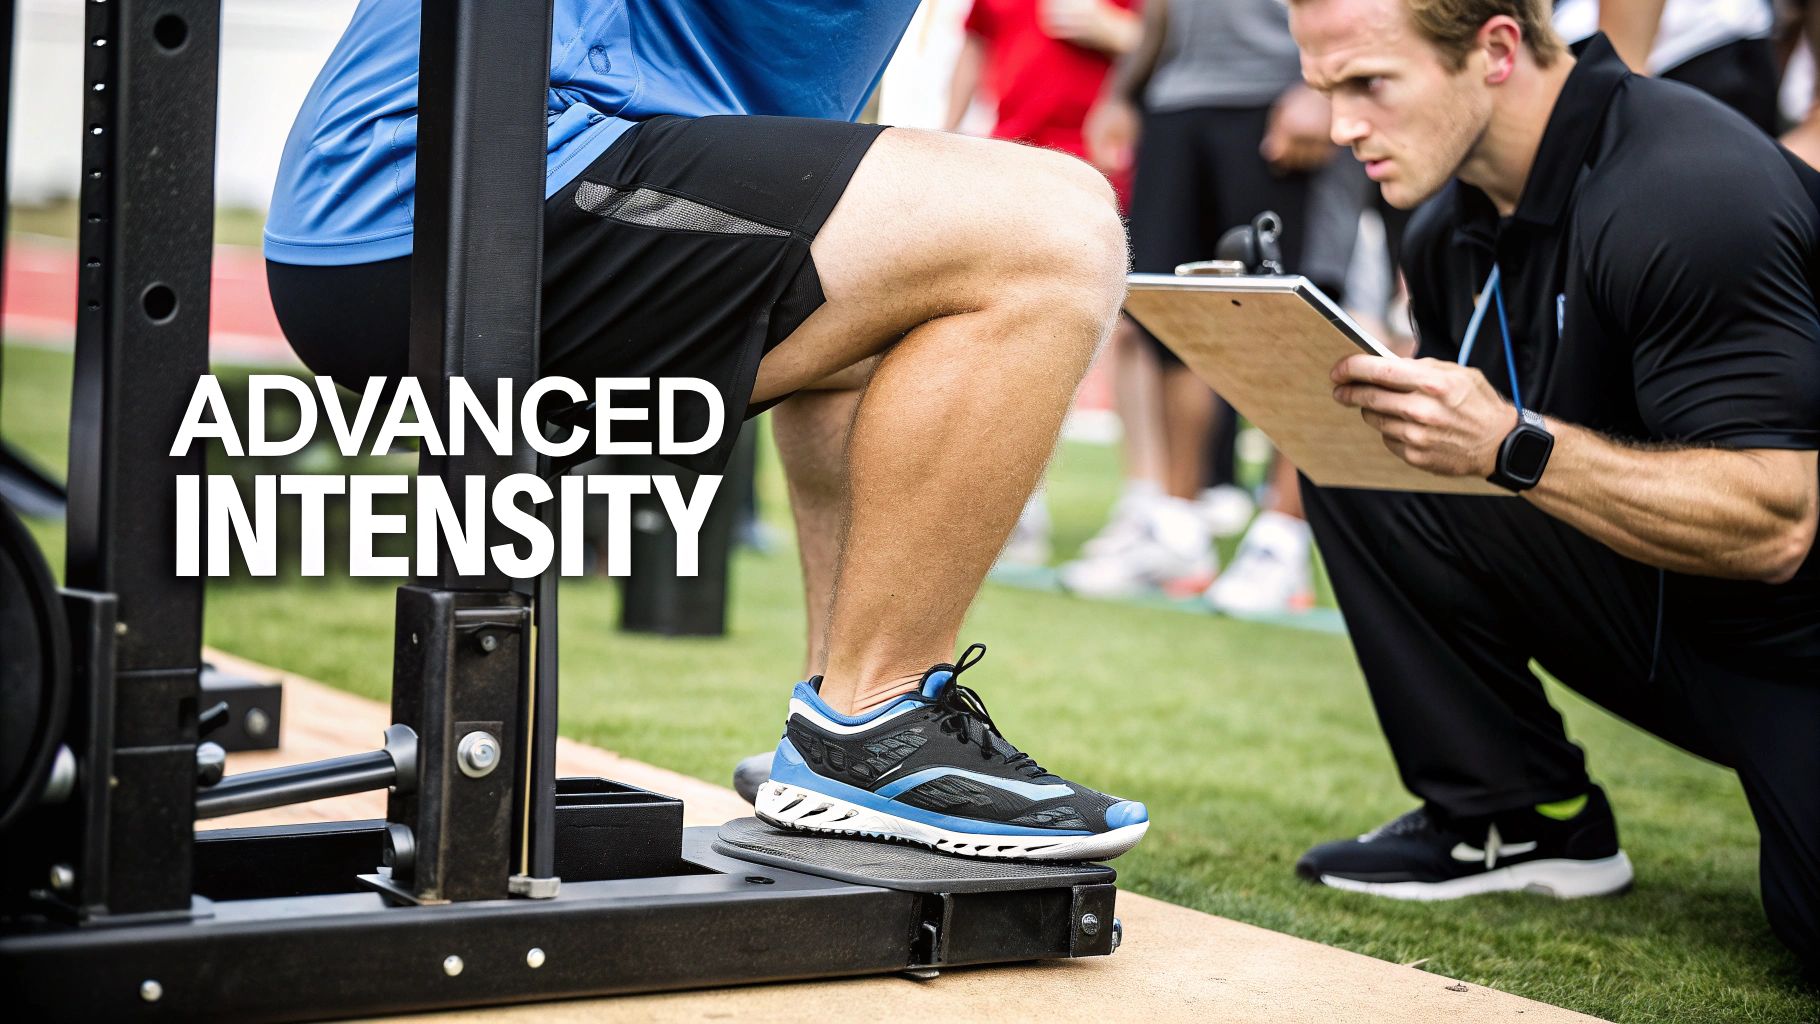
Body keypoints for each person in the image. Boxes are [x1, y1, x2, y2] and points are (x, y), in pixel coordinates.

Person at [263, 0, 1149, 861]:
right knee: (1055, 230)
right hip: (453, 181)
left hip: (410, 203)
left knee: (915, 288)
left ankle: (841, 741)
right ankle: (873, 723)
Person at [1282, 0, 1819, 966]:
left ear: (1495, 49)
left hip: (1796, 630)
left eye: (1368, 85)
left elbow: (1776, 521)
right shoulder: (1445, 225)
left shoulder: (1690, 188)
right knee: (1364, 449)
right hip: (1666, 607)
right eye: (1327, 91)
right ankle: (1516, 815)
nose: (1340, 128)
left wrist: (1512, 446)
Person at [1064, 0, 1359, 612]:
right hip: (1177, 99)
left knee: (1295, 319)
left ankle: (1282, 543)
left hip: (1277, 95)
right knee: (1175, 316)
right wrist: (1125, 90)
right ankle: (1178, 530)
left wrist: (1323, 83)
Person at [945, 0, 1144, 568]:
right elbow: (975, 43)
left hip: (1099, 171)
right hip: (1011, 160)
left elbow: (1167, 45)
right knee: (1002, 337)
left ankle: (1148, 507)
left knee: (1097, 343)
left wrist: (1114, 30)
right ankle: (1015, 504)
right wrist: (949, 131)